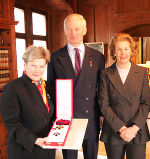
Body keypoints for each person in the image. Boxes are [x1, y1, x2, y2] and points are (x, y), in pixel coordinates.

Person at [47, 13, 105, 159]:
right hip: (66, 117)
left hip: (91, 115)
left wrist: (102, 114)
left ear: (84, 30)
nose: (73, 33)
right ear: (64, 30)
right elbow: (51, 90)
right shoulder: (54, 57)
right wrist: (54, 116)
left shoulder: (97, 56)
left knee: (91, 155)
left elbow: (102, 89)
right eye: (69, 29)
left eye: (77, 29)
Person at [99, 33, 150, 159]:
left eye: (126, 49)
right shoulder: (105, 74)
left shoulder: (142, 72)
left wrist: (134, 128)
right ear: (114, 52)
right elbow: (103, 104)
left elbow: (146, 102)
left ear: (132, 51)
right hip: (114, 130)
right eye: (119, 49)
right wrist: (121, 128)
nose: (123, 53)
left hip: (137, 130)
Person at [0, 46, 55, 159]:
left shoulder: (48, 86)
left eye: (41, 66)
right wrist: (35, 140)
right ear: (25, 64)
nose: (37, 70)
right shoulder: (12, 88)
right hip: (24, 150)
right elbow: (12, 123)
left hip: (47, 149)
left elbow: (49, 116)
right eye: (33, 65)